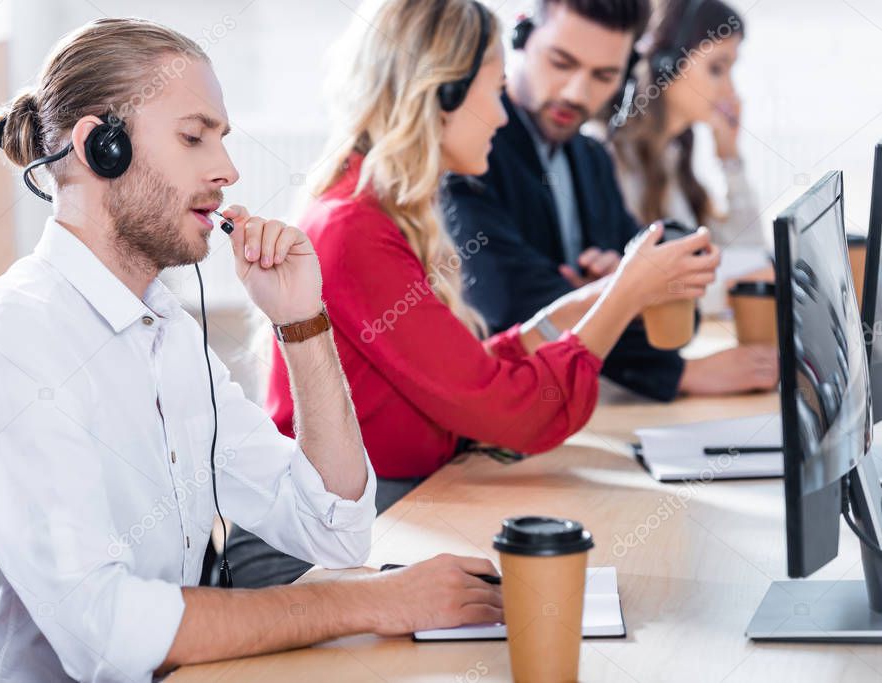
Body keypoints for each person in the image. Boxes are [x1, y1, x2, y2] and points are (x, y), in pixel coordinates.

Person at [0, 18, 505, 682]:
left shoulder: (164, 328)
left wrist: (303, 323)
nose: (225, 170)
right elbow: (106, 636)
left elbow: (332, 530)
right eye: (193, 137)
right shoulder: (10, 342)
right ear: (99, 146)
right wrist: (367, 601)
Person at [225, 0, 720, 588]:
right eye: (492, 91)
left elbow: (470, 373)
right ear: (441, 95)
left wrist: (607, 293)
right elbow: (515, 411)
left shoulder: (379, 210)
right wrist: (624, 294)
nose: (503, 116)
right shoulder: (353, 229)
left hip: (387, 510)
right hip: (305, 555)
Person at [442, 0, 778, 401]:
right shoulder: (471, 150)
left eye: (604, 75)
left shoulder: (591, 159)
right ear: (521, 40)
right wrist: (668, 359)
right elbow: (511, 302)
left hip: (580, 400)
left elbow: (663, 290)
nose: (576, 93)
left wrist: (624, 286)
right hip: (502, 408)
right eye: (561, 63)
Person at [606, 0, 770, 310]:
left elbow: (748, 249)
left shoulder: (674, 158)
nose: (730, 89)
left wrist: (730, 157)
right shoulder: (614, 161)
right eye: (717, 69)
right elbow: (641, 294)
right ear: (666, 65)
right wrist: (739, 285)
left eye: (731, 70)